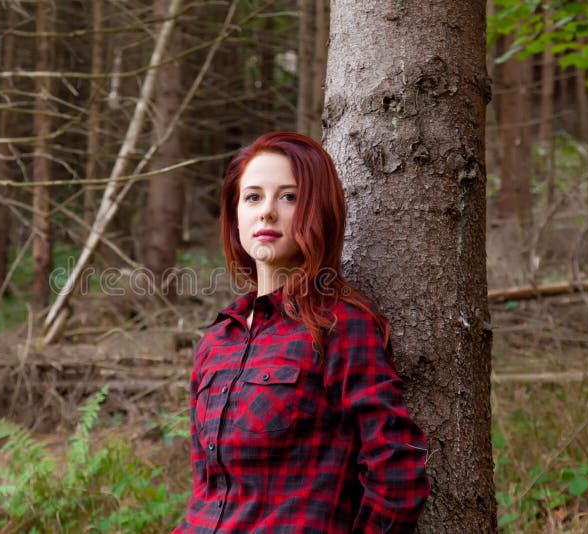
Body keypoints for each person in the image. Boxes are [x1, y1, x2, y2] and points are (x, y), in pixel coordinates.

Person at [174, 132, 430, 533]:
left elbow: (396, 470)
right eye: (253, 197)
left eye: (288, 197)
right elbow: (206, 486)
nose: (267, 213)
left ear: (317, 209)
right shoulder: (217, 341)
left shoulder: (339, 324)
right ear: (235, 211)